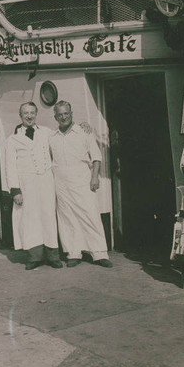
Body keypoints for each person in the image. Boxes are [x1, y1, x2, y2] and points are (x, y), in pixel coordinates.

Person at [49, 100, 113, 268]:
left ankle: (99, 254)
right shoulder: (51, 136)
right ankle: (73, 253)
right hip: (60, 182)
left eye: (66, 113)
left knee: (90, 214)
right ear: (55, 117)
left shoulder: (84, 132)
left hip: (82, 179)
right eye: (60, 114)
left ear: (72, 114)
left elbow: (96, 157)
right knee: (66, 217)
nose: (63, 117)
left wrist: (94, 178)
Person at [5, 102, 63, 270]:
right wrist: (15, 190)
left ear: (36, 114)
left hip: (46, 181)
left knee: (48, 217)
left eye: (32, 112)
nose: (29, 116)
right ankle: (34, 257)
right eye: (25, 113)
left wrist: (83, 126)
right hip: (26, 184)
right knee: (30, 219)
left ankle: (53, 256)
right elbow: (10, 166)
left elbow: (62, 136)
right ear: (20, 115)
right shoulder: (12, 140)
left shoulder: (46, 133)